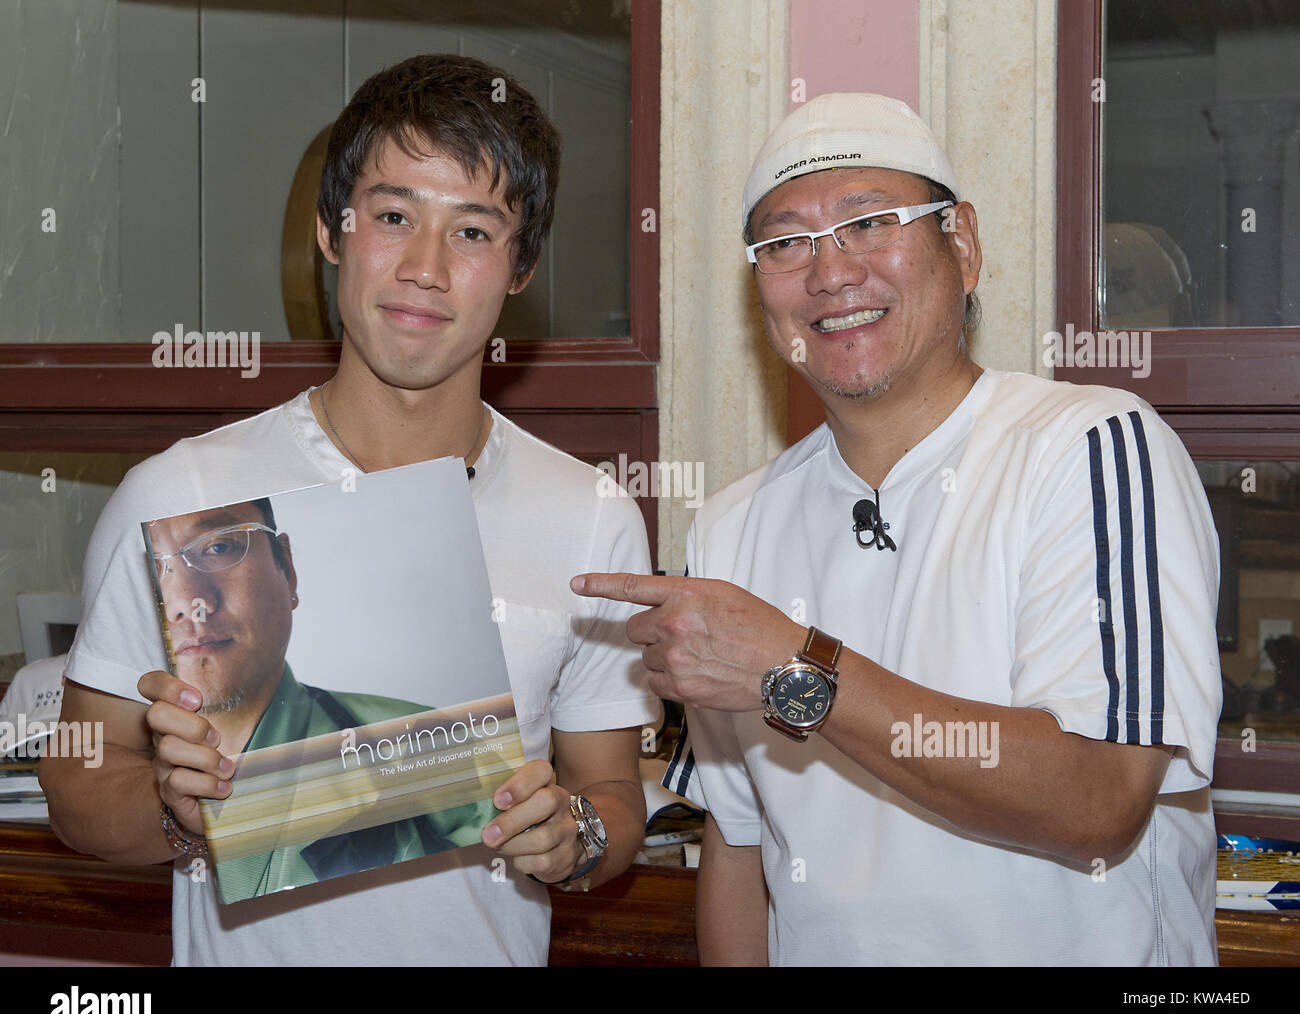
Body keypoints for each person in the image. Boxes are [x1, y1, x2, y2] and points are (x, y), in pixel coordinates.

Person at [572, 93, 1222, 965]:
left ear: (964, 245)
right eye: (783, 242)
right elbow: (739, 849)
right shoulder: (732, 528)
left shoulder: (1089, 447)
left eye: (870, 222)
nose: (830, 272)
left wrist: (795, 668)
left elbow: (1099, 801)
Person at [40, 54, 657, 966]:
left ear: (521, 266)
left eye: (475, 232)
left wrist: (577, 838)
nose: (426, 269)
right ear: (333, 231)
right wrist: (178, 811)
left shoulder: (592, 513)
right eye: (394, 215)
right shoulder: (183, 494)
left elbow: (611, 793)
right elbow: (78, 784)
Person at [146, 498, 495, 903]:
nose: (187, 601)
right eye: (155, 567)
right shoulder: (124, 749)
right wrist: (178, 824)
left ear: (288, 570)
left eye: (219, 546)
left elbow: (538, 854)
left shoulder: (422, 743)